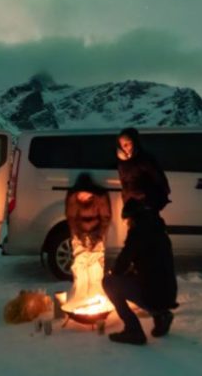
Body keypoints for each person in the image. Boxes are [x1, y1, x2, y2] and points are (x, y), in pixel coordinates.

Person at [102, 197, 178, 345]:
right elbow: (151, 263)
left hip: (153, 295)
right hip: (169, 294)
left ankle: (133, 330)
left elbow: (121, 264)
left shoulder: (138, 232)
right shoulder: (158, 228)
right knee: (146, 280)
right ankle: (162, 315)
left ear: (133, 217)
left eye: (127, 220)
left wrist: (113, 271)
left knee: (109, 282)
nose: (127, 224)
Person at [63, 173, 112, 307]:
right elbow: (71, 218)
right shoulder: (73, 199)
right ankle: (80, 298)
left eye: (86, 194)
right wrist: (77, 236)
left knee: (95, 267)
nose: (83, 196)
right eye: (81, 194)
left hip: (96, 235)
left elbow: (105, 218)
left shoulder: (99, 198)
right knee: (80, 267)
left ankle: (97, 296)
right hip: (79, 235)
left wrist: (98, 236)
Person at [116, 127, 170, 212]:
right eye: (122, 144)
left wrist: (156, 201)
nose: (125, 147)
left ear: (135, 142)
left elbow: (159, 179)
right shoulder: (122, 163)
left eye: (128, 143)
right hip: (131, 205)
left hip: (147, 204)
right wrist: (126, 202)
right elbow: (124, 184)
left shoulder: (145, 159)